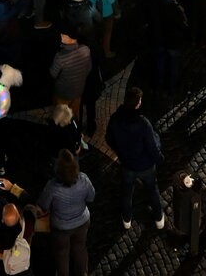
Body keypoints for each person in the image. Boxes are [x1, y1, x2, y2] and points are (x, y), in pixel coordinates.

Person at [104, 85, 166, 232]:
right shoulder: (143, 123)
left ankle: (127, 219)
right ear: (138, 104)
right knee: (152, 190)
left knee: (127, 192)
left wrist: (120, 151)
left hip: (127, 165)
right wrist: (160, 159)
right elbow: (152, 146)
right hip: (146, 166)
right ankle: (158, 219)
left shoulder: (115, 119)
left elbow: (109, 139)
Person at [37, 150, 95, 276]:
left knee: (62, 253)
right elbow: (91, 197)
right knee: (80, 248)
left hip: (61, 227)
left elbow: (43, 206)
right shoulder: (84, 179)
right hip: (82, 221)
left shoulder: (52, 187)